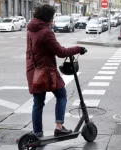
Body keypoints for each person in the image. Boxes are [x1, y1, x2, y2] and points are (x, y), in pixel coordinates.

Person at [26, 4, 86, 138]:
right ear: (48, 18)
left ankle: (37, 133)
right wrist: (78, 49)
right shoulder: (46, 32)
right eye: (52, 17)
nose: (53, 20)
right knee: (61, 94)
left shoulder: (31, 29)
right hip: (46, 71)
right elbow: (60, 52)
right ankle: (59, 127)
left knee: (38, 102)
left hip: (32, 70)